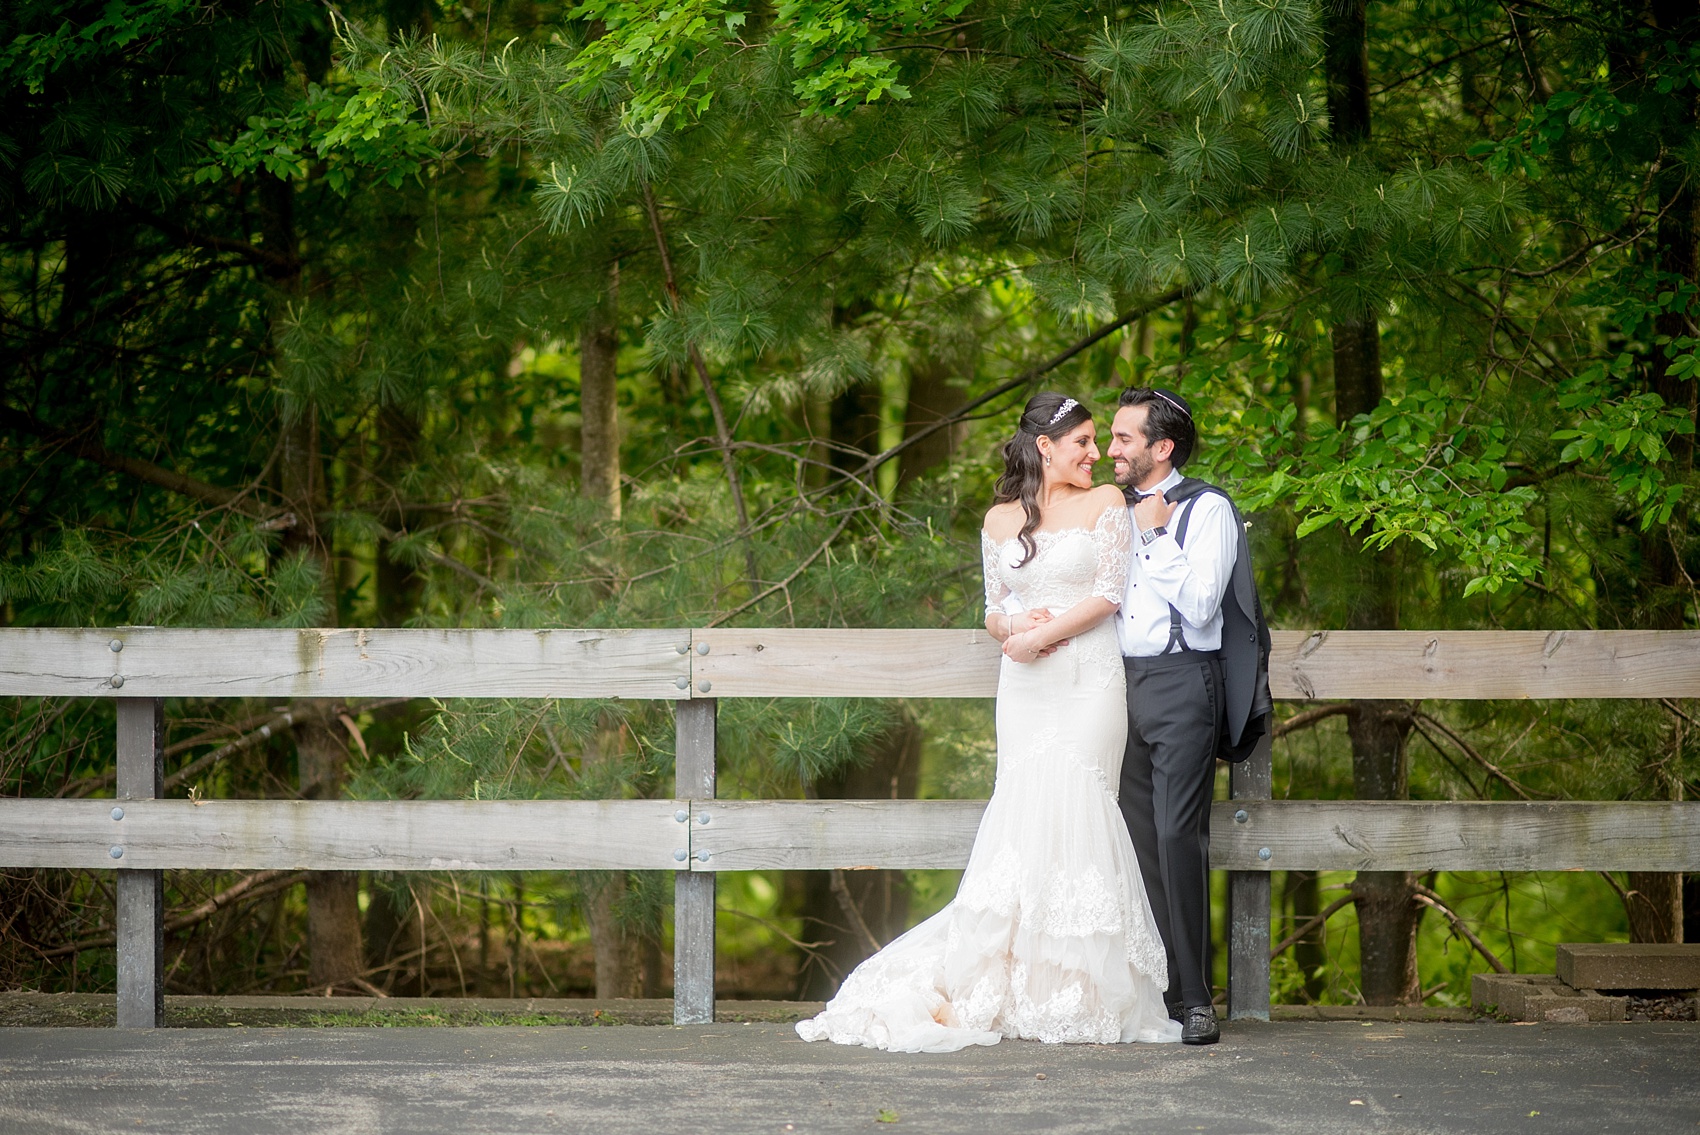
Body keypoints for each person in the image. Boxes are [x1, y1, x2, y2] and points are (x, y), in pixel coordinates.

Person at [795, 392, 1181, 1052]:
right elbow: (991, 607)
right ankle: (1006, 974)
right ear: (1044, 447)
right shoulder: (1000, 518)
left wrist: (1041, 635)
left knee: (1080, 806)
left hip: (1086, 678)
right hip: (1024, 688)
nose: (1097, 454)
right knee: (1022, 814)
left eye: (1097, 442)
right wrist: (1011, 628)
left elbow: (1109, 594)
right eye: (1083, 442)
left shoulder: (1104, 505)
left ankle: (1079, 986)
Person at [1107, 386, 1242, 1045]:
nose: (1111, 449)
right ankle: (1154, 993)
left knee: (1174, 836)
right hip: (1114, 689)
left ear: (1161, 448)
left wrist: (1155, 531)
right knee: (1132, 843)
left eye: (1124, 438)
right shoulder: (1108, 508)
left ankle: (1195, 999)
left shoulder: (1208, 509)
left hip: (1184, 682)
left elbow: (1201, 605)